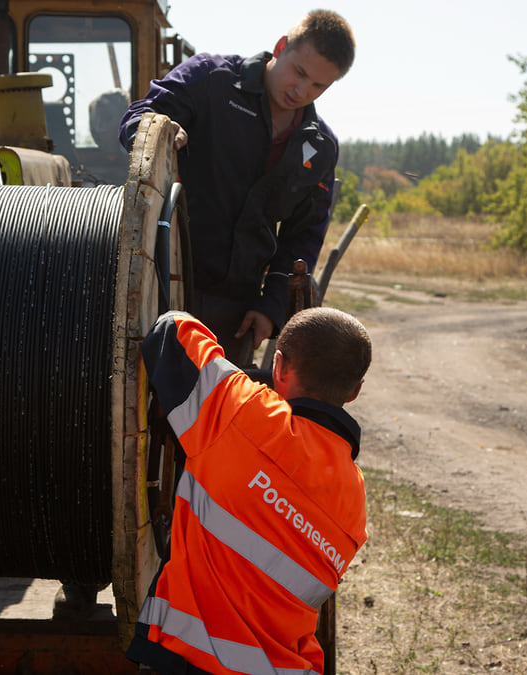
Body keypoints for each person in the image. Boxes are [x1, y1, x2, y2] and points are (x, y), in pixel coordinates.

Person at [125, 307, 370, 675]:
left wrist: (247, 379)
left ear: (281, 366)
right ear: (354, 391)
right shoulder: (356, 498)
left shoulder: (240, 410)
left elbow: (171, 330)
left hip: (189, 659)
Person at [118, 10, 356, 366]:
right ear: (281, 47)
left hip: (237, 312)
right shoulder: (209, 79)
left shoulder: (319, 146)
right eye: (300, 73)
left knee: (218, 415)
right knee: (144, 405)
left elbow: (303, 236)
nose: (301, 91)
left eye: (318, 86)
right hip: (162, 285)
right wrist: (160, 132)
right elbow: (141, 117)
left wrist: (272, 306)